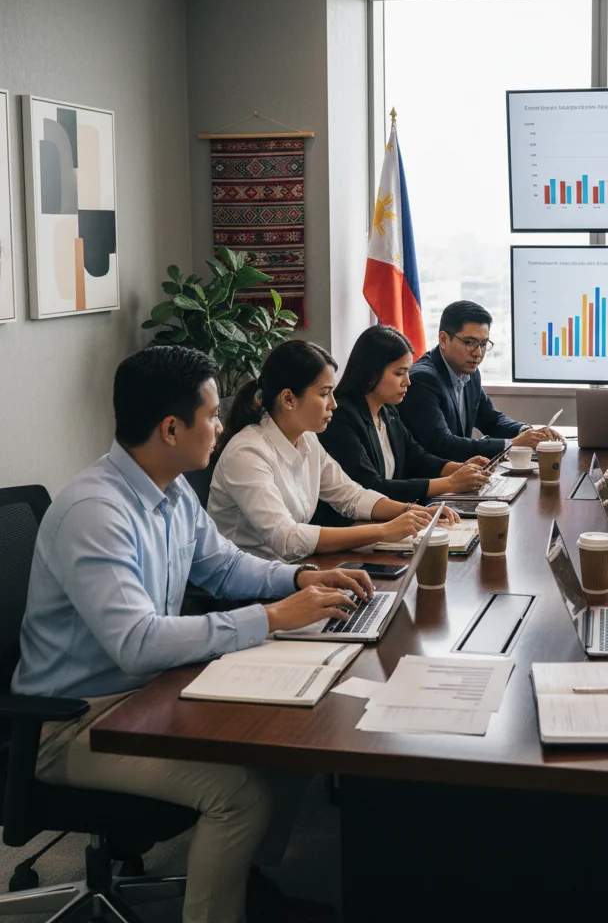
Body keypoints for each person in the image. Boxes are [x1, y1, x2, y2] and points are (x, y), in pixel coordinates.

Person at [13, 345, 373, 923]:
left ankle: (241, 882)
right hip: (74, 720)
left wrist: (301, 576)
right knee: (238, 794)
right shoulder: (96, 511)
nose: (222, 426)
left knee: (295, 734)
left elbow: (226, 567)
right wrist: (273, 617)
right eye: (212, 416)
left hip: (150, 689)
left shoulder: (172, 489)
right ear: (171, 427)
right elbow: (136, 642)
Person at [209, 339, 458, 562]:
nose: (334, 404)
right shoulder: (247, 453)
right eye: (325, 394)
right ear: (288, 399)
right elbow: (287, 539)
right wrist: (384, 530)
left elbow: (350, 495)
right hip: (250, 591)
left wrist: (410, 511)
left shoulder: (307, 439)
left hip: (292, 571)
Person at [320, 325, 493, 503]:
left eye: (408, 372)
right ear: (371, 373)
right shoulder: (340, 419)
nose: (407, 382)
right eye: (399, 373)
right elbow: (371, 486)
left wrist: (459, 468)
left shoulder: (387, 411)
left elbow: (416, 457)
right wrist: (450, 483)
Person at [398, 300, 561, 460]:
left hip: (462, 473)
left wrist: (527, 432)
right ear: (443, 340)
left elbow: (492, 419)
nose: (478, 353)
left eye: (483, 344)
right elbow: (442, 445)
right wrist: (513, 443)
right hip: (433, 480)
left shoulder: (471, 373)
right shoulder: (423, 380)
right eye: (469, 343)